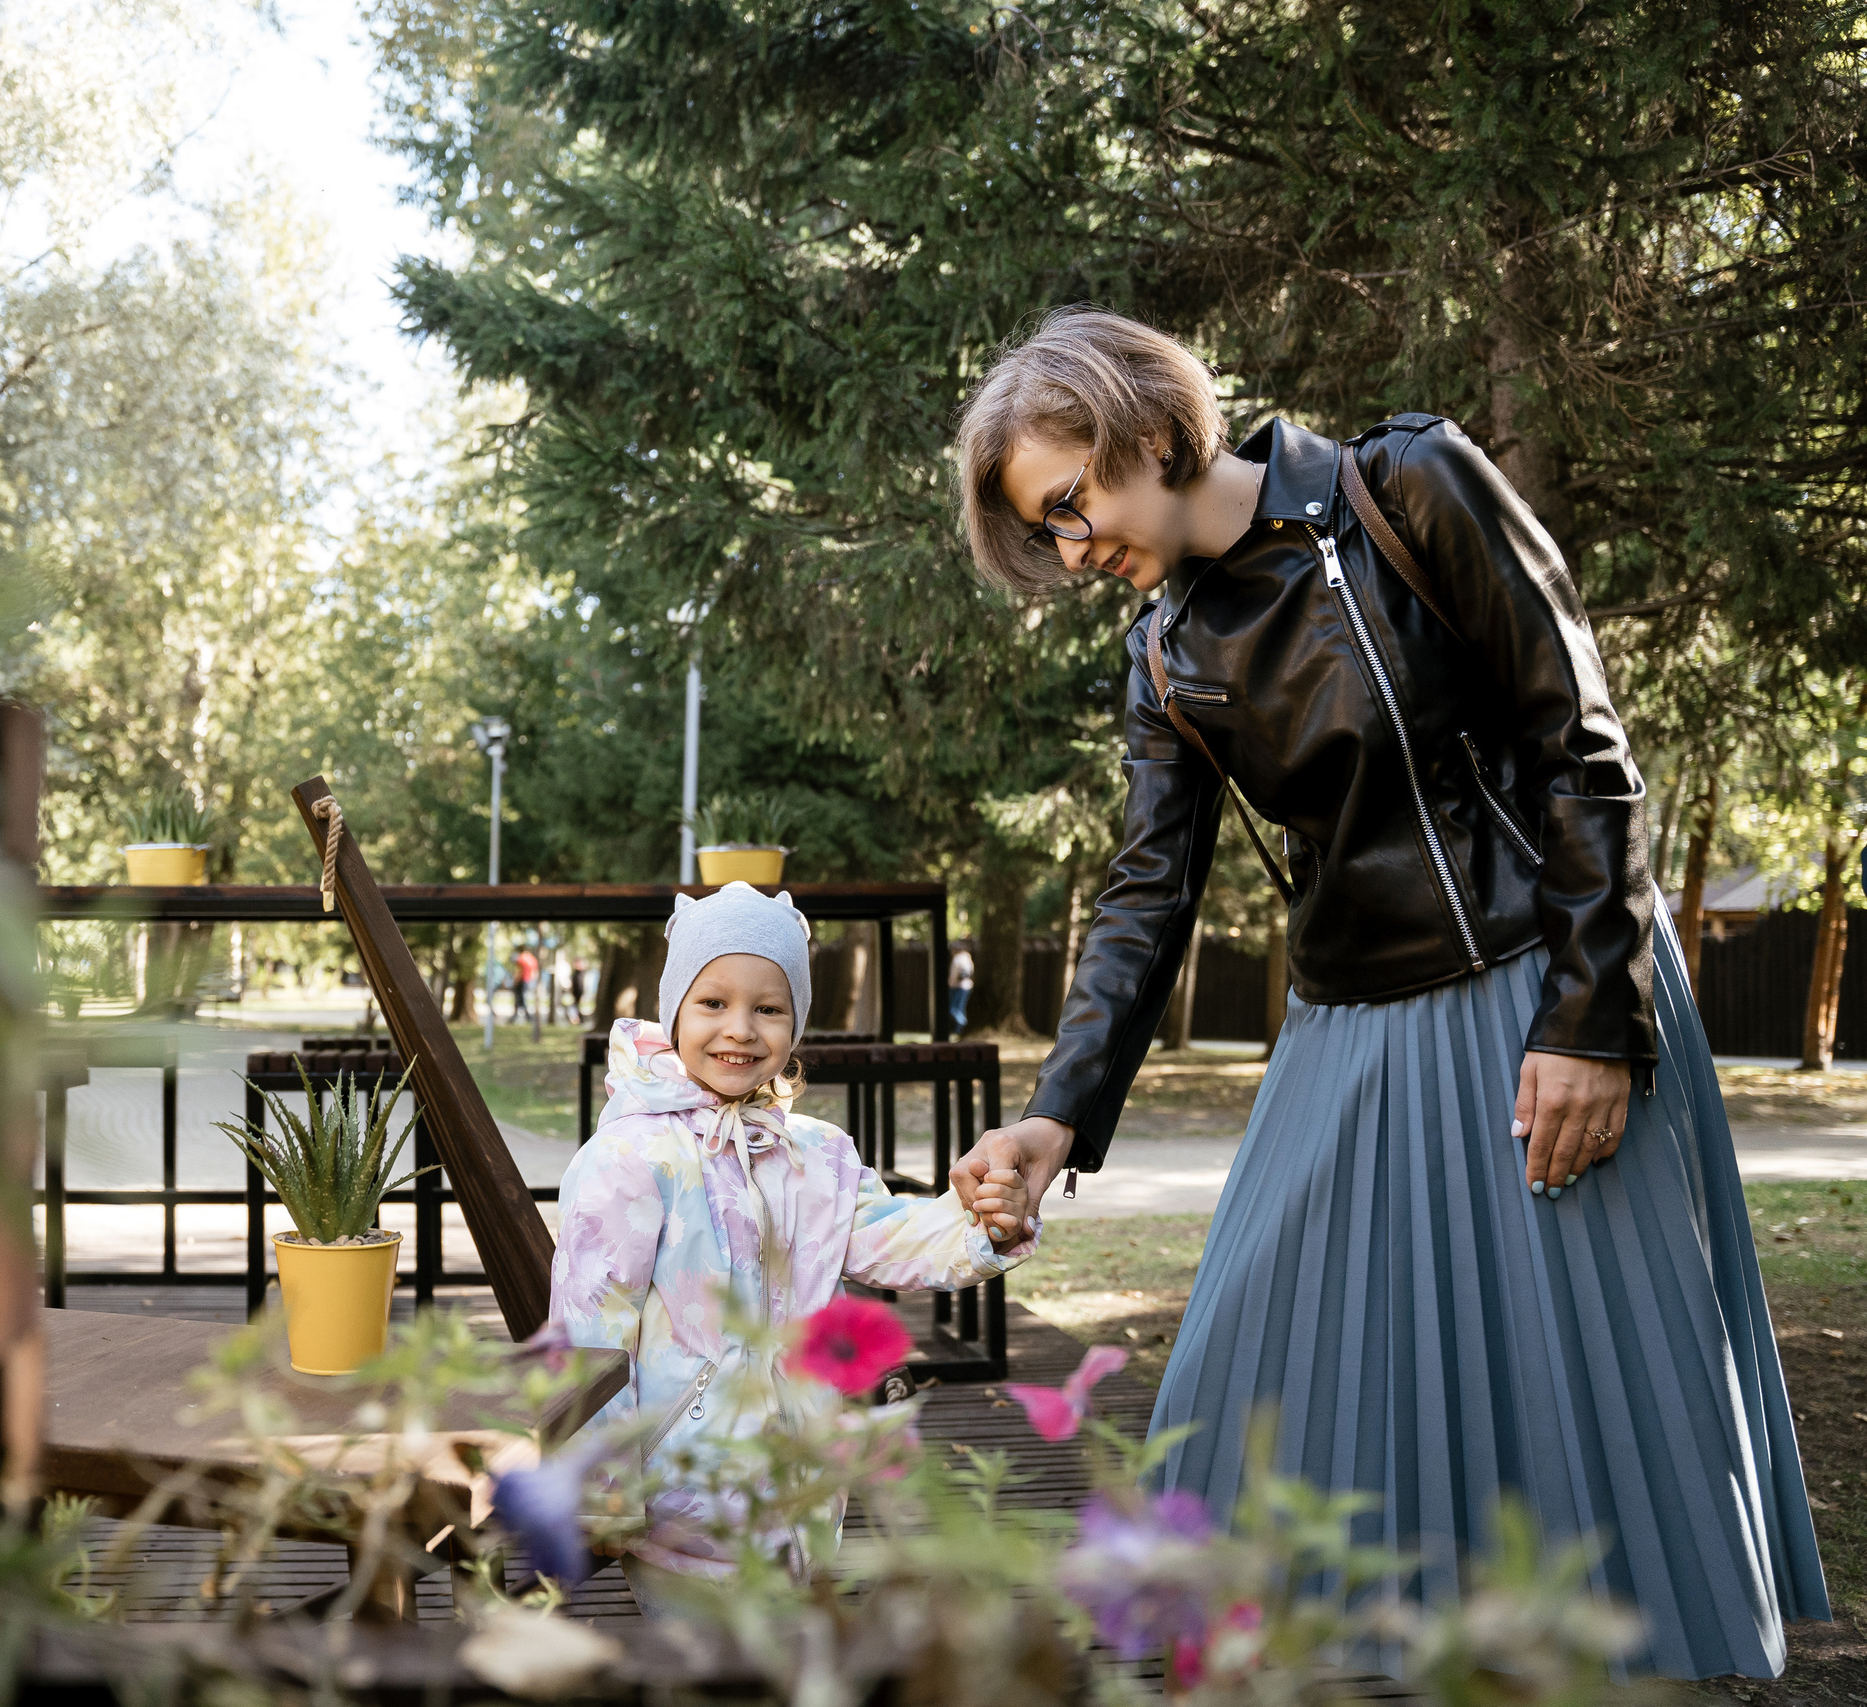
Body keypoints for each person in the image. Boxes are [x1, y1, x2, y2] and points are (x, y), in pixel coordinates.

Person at [944, 307, 1825, 1679]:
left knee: (1576, 1403)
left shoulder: (1404, 484)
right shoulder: (1164, 655)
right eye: (1042, 532)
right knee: (1240, 1383)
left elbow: (1580, 742)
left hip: (1544, 994)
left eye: (1068, 505)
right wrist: (1055, 1116)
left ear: (1147, 428)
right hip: (1346, 1032)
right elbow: (1144, 896)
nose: (1071, 550)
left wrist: (1593, 1018)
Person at [550, 881, 1035, 1595]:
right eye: (713, 1002)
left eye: (768, 1008)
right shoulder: (630, 1158)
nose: (741, 1028)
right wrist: (602, 1488)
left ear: (796, 1024)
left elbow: (887, 1236)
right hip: (679, 1501)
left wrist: (984, 1223)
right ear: (674, 1010)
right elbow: (591, 1326)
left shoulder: (818, 1154)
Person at [946, 940, 975, 1039]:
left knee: (953, 1009)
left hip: (958, 987)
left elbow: (955, 975)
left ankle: (963, 1023)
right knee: (960, 1008)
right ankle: (959, 1030)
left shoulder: (957, 959)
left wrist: (951, 983)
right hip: (967, 986)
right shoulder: (968, 959)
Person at [513, 943, 539, 1023]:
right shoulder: (532, 959)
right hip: (528, 980)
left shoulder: (521, 958)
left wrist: (515, 981)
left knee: (520, 998)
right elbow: (535, 972)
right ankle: (524, 1016)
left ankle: (525, 1016)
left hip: (521, 980)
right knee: (523, 998)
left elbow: (519, 971)